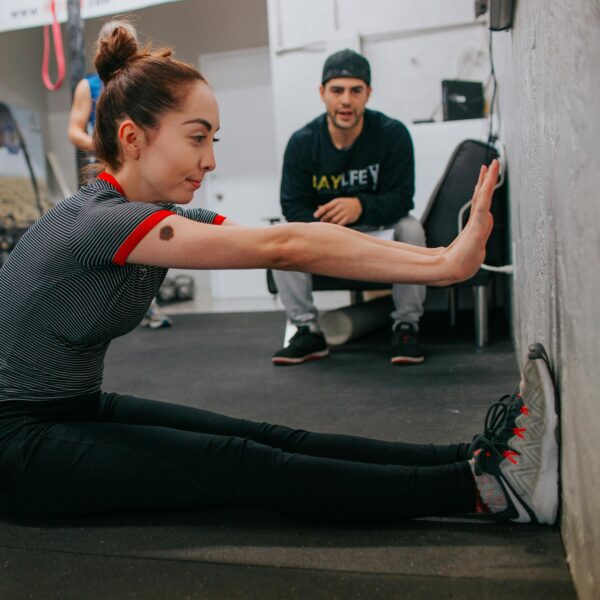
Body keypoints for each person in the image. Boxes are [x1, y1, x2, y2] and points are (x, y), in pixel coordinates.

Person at [0, 25, 559, 526]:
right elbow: (286, 245)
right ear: (132, 138)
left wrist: (443, 258)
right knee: (239, 465)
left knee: (262, 436)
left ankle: (478, 456)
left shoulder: (155, 216)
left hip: (71, 409)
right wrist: (443, 266)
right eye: (197, 138)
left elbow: (298, 241)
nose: (210, 160)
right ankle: (487, 489)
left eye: (212, 140)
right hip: (17, 443)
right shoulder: (103, 221)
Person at [272, 49, 426, 367]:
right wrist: (328, 231)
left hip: (374, 229)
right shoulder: (302, 142)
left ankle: (406, 326)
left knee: (411, 228)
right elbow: (292, 205)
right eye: (337, 90)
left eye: (355, 90)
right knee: (278, 235)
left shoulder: (392, 133)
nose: (346, 100)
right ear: (322, 94)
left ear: (367, 93)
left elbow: (402, 198)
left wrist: (360, 206)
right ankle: (306, 330)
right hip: (324, 233)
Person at [67, 19, 172, 330]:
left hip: (140, 169)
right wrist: (106, 148)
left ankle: (146, 305)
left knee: (146, 230)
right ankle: (99, 306)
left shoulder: (142, 83)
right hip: (104, 170)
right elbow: (74, 130)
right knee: (104, 235)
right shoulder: (89, 86)